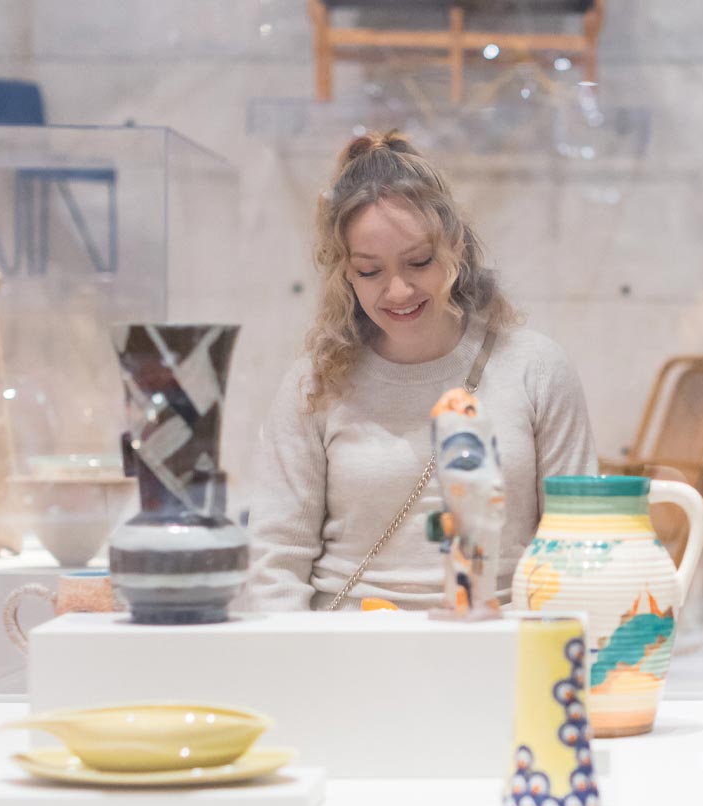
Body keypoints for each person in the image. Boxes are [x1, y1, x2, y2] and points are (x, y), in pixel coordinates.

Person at [246, 131, 597, 611]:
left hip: (497, 650)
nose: (397, 291)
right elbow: (275, 564)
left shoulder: (536, 369)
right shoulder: (316, 383)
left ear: (454, 246)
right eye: (369, 271)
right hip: (350, 654)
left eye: (419, 262)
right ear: (344, 272)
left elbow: (575, 547)